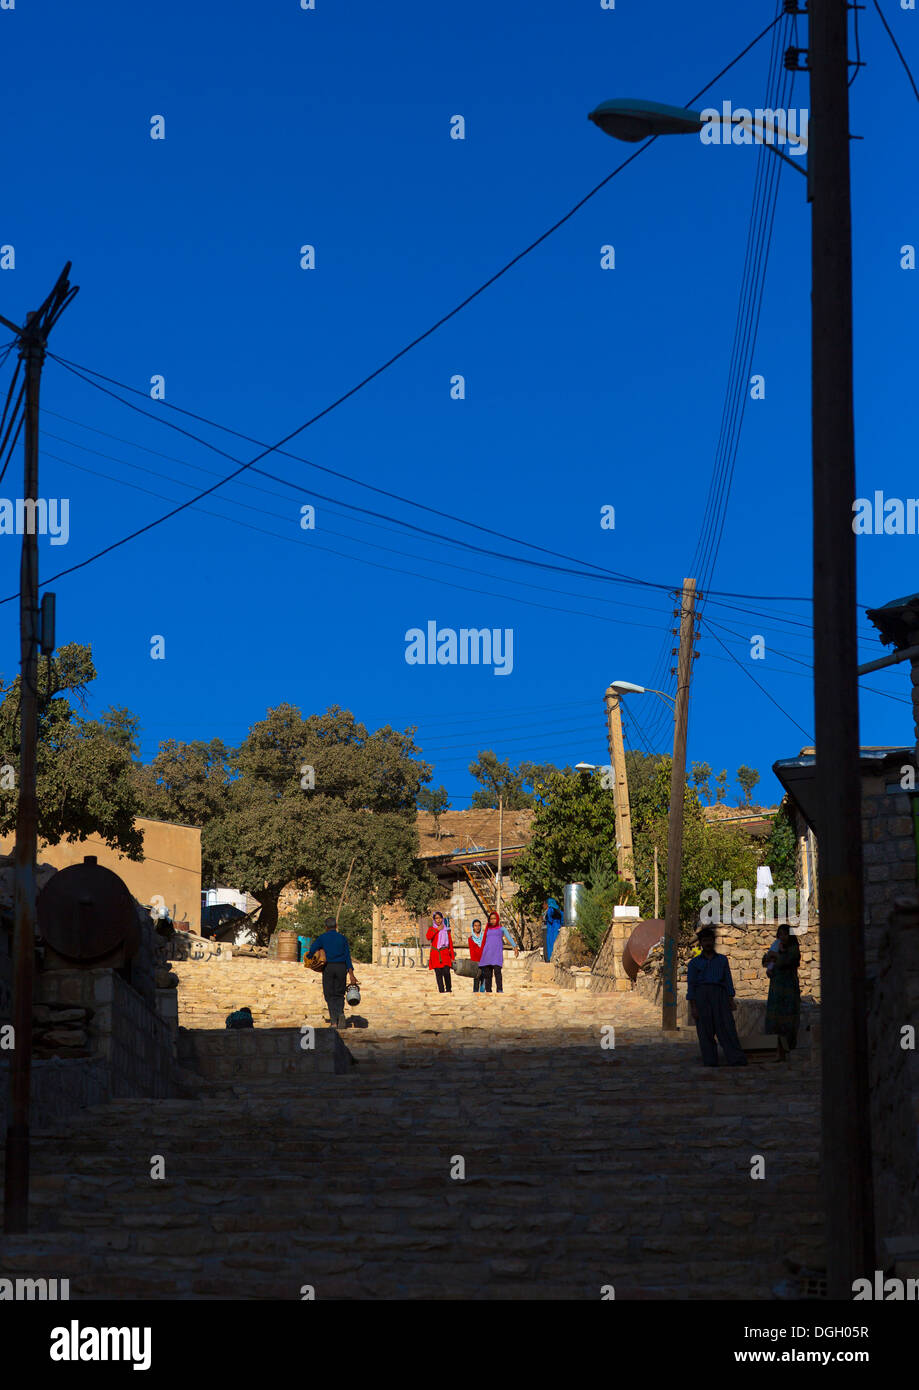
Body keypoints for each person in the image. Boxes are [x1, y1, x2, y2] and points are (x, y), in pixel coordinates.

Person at [686, 926, 748, 1066]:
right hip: (702, 996)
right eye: (704, 940)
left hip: (720, 995)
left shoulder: (722, 960)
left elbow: (728, 980)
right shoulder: (694, 964)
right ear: (700, 943)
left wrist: (730, 999)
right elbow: (691, 986)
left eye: (709, 940)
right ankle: (710, 1060)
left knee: (727, 1028)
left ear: (713, 941)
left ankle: (735, 1058)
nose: (707, 943)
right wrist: (693, 1007)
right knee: (705, 1030)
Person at [306, 915, 360, 1029]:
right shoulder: (342, 938)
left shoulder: (322, 938)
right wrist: (351, 975)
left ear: (326, 927)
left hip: (328, 968)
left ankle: (334, 1022)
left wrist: (310, 957)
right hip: (341, 968)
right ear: (336, 926)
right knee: (340, 994)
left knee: (329, 994)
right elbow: (347, 957)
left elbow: (311, 951)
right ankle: (340, 1014)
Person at [763, 923, 801, 1053]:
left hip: (789, 987)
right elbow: (766, 960)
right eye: (780, 934)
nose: (782, 937)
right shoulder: (776, 946)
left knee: (789, 1017)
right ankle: (775, 1046)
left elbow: (788, 960)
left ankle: (788, 1046)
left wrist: (776, 955)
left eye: (785, 934)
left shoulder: (793, 949)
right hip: (776, 988)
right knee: (774, 1017)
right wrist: (769, 958)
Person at [478, 909, 519, 993]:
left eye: (494, 918)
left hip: (496, 955)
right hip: (487, 955)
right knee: (488, 975)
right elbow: (483, 941)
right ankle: (488, 991)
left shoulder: (502, 929)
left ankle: (499, 990)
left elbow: (509, 937)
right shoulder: (487, 929)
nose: (492, 920)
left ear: (497, 919)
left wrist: (515, 947)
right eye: (491, 919)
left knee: (497, 973)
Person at [426, 911, 455, 993]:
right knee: (438, 973)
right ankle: (441, 991)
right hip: (435, 954)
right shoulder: (432, 929)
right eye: (436, 918)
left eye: (440, 918)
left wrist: (452, 957)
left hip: (445, 953)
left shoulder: (447, 930)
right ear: (434, 920)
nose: (438, 920)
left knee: (446, 971)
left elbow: (450, 944)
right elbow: (428, 937)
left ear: (442, 919)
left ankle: (449, 989)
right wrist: (437, 930)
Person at [468, 917, 486, 993]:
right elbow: (473, 951)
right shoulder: (470, 939)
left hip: (484, 961)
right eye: (475, 926)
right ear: (473, 927)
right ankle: (475, 995)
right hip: (475, 962)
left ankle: (482, 996)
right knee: (476, 979)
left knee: (484, 979)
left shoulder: (484, 937)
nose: (477, 927)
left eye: (479, 925)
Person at [544, 897, 564, 962]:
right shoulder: (558, 910)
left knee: (550, 944)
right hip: (557, 927)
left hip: (551, 928)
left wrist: (549, 920)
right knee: (556, 943)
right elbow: (562, 918)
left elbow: (549, 918)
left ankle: (550, 959)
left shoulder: (550, 909)